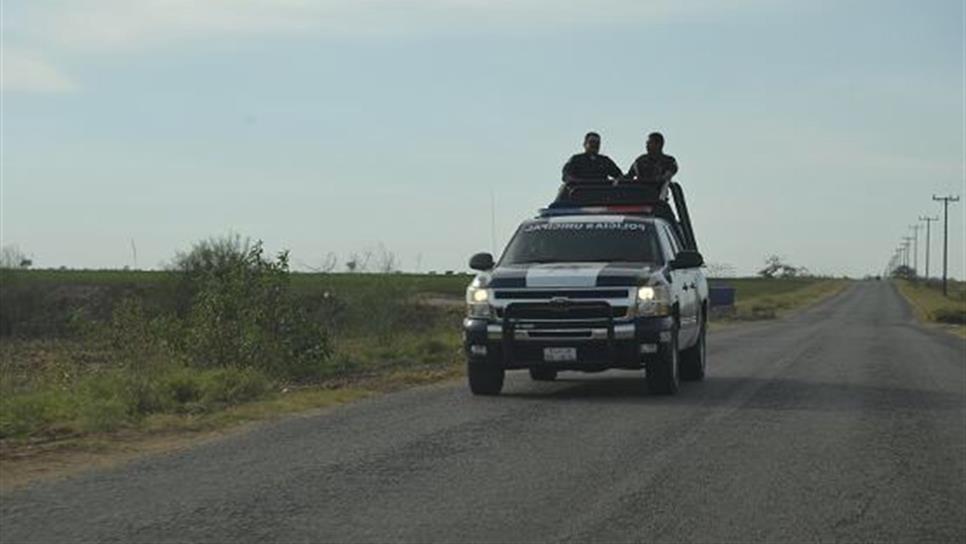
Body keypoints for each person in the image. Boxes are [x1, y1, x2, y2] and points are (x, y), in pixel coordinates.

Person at [624, 132, 678, 199]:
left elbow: (667, 175)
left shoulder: (669, 161)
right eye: (647, 143)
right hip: (640, 197)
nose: (647, 145)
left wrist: (658, 180)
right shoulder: (640, 161)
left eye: (650, 143)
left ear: (659, 144)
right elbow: (629, 176)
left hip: (659, 198)